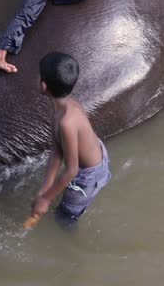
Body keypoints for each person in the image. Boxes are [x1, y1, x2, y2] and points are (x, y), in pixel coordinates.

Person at [30, 52, 111, 225]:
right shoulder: (62, 106)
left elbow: (72, 170)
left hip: (87, 176)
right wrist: (45, 189)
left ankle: (66, 230)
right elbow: (57, 150)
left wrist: (46, 200)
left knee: (64, 217)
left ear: (43, 86)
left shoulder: (66, 122)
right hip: (95, 154)